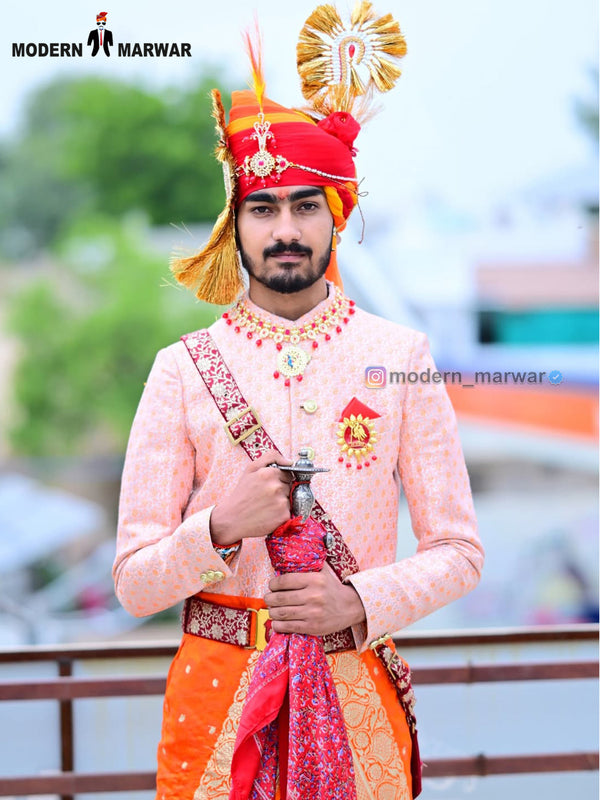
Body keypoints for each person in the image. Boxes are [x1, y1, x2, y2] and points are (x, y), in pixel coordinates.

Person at [113, 3, 484, 799]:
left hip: (357, 692)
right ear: (235, 226)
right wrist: (218, 528)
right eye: (263, 207)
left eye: (304, 206)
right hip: (217, 703)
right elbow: (135, 582)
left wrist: (358, 598)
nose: (285, 228)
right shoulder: (181, 370)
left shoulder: (401, 357)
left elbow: (460, 550)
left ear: (336, 217)